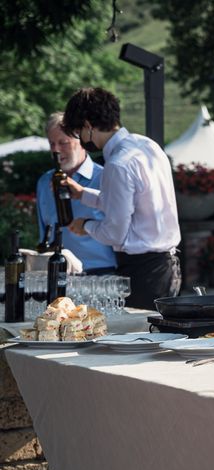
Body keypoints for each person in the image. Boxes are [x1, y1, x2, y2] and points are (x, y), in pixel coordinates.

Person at [60, 87, 181, 310]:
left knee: (141, 341)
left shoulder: (118, 164)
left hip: (143, 269)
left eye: (78, 132)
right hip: (166, 264)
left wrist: (85, 225)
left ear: (88, 126)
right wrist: (83, 194)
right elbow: (129, 204)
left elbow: (115, 232)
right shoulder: (147, 146)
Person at [37, 112, 117, 275]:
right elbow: (44, 234)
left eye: (63, 143)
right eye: (51, 143)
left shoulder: (105, 178)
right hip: (57, 273)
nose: (56, 150)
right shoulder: (45, 182)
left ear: (82, 141)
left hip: (102, 275)